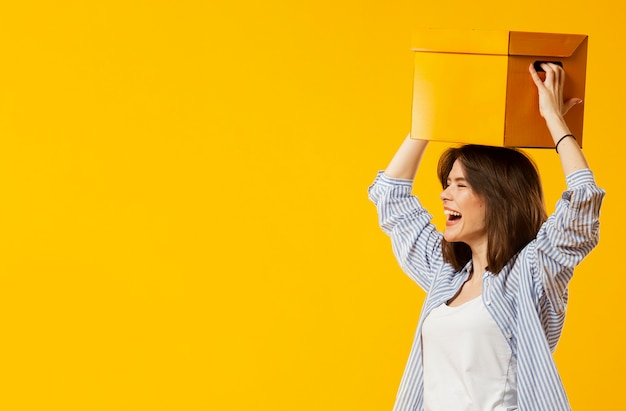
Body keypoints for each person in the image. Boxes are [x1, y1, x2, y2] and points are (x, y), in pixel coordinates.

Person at [368, 63, 605, 411]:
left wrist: (555, 120)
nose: (445, 195)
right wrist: (428, 120)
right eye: (446, 184)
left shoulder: (531, 273)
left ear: (498, 198)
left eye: (460, 185)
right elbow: (392, 196)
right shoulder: (444, 274)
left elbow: (583, 202)